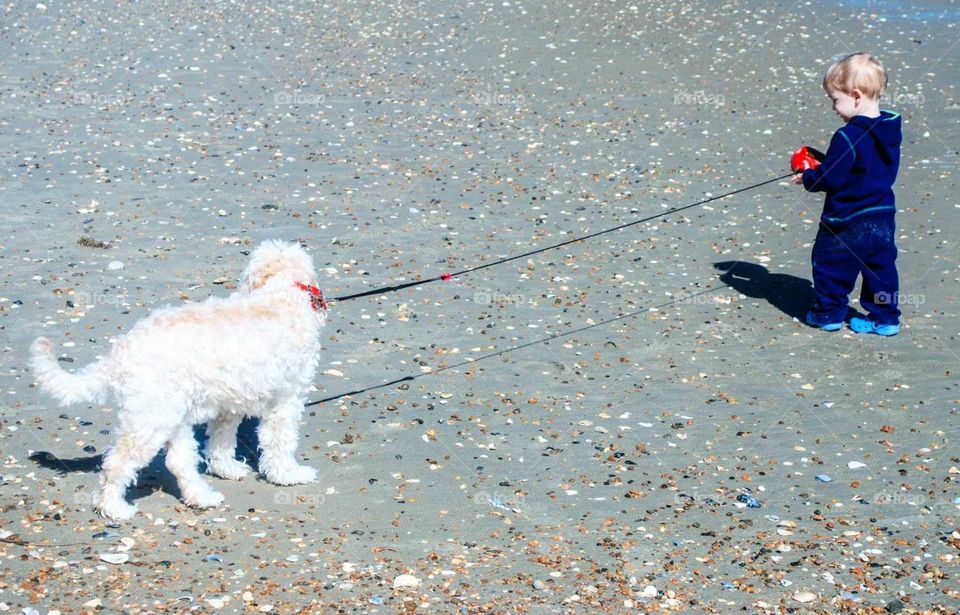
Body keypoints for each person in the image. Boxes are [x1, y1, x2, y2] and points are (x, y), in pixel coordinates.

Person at [792, 52, 902, 336]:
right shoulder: (890, 129)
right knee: (880, 269)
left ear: (855, 96)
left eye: (835, 99)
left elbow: (832, 178)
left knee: (830, 265)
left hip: (846, 219)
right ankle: (886, 318)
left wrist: (809, 177)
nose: (833, 107)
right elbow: (862, 166)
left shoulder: (846, 136)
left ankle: (827, 314)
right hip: (881, 216)